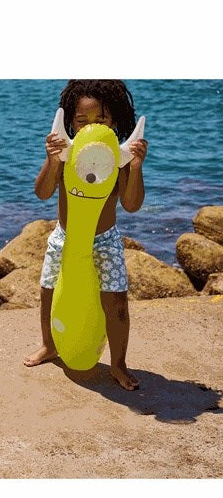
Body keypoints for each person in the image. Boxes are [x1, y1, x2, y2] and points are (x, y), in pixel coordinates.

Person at [23, 80, 148, 391]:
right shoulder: (68, 155)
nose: (91, 126)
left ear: (114, 121)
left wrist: (135, 167)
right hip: (65, 237)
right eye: (82, 121)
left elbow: (131, 205)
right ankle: (50, 345)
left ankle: (118, 364)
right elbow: (42, 193)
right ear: (70, 123)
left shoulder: (116, 158)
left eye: (101, 119)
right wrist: (52, 160)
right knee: (49, 291)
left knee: (116, 301)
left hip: (104, 241)